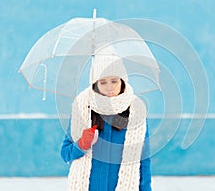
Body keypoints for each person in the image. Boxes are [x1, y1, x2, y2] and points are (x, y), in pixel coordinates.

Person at [60, 51, 152, 191]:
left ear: (122, 81)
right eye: (103, 82)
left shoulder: (136, 114)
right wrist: (81, 144)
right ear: (95, 84)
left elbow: (143, 162)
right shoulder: (83, 110)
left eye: (114, 81)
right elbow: (65, 153)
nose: (109, 87)